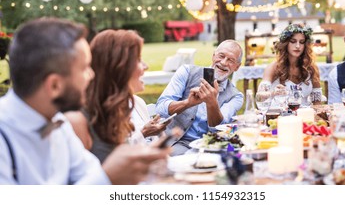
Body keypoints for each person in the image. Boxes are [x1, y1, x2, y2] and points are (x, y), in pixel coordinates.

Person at [0, 18, 169, 185]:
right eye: (85, 68)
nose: (92, 75)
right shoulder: (4, 137)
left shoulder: (58, 124)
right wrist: (108, 178)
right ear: (55, 85)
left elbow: (88, 173)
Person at [66, 29, 169, 162]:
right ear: (118, 67)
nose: (146, 66)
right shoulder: (79, 120)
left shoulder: (123, 107)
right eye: (138, 60)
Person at [155, 40, 244, 156]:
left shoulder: (236, 96)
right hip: (176, 142)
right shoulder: (187, 71)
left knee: (238, 157)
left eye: (231, 60)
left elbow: (218, 130)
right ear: (213, 55)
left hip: (209, 147)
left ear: (237, 67)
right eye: (221, 56)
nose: (223, 62)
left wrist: (212, 103)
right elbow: (161, 107)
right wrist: (188, 103)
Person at [258, 23, 323, 106]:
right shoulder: (274, 67)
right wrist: (273, 92)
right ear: (286, 43)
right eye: (293, 41)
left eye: (302, 42)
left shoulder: (311, 68)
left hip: (305, 116)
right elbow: (259, 96)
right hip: (280, 116)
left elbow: (317, 102)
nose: (298, 46)